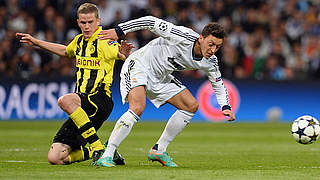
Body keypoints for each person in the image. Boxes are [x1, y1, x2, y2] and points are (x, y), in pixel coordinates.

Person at [95, 16, 236, 167]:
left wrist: (225, 106)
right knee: (137, 107)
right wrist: (119, 30)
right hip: (140, 65)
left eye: (218, 47)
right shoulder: (183, 36)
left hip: (160, 77)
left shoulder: (211, 61)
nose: (213, 50)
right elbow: (150, 21)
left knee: (190, 106)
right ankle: (107, 153)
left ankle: (159, 150)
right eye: (211, 44)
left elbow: (218, 83)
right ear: (201, 38)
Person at [16, 3, 134, 165]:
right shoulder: (78, 41)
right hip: (81, 106)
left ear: (98, 21)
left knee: (65, 100)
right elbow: (65, 51)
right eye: (83, 22)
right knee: (56, 158)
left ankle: (98, 148)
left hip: (99, 99)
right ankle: (107, 151)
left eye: (90, 22)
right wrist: (36, 42)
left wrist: (124, 55)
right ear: (78, 22)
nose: (87, 26)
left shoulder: (104, 41)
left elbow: (118, 53)